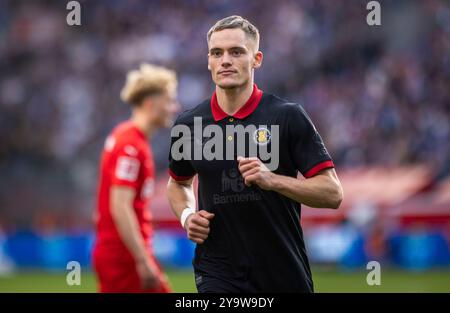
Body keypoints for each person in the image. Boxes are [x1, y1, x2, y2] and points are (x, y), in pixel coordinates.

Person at [167, 15, 343, 293]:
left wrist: (272, 180)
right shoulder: (188, 125)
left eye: (236, 52)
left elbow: (333, 193)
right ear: (209, 61)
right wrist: (187, 215)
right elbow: (178, 183)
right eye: (217, 53)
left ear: (256, 59)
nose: (225, 60)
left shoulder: (288, 116)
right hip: (218, 272)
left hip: (283, 271)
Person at [93, 64, 179, 293]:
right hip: (123, 258)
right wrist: (142, 260)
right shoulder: (130, 145)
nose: (174, 107)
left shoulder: (126, 137)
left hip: (122, 254)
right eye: (169, 100)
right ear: (151, 104)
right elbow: (120, 206)